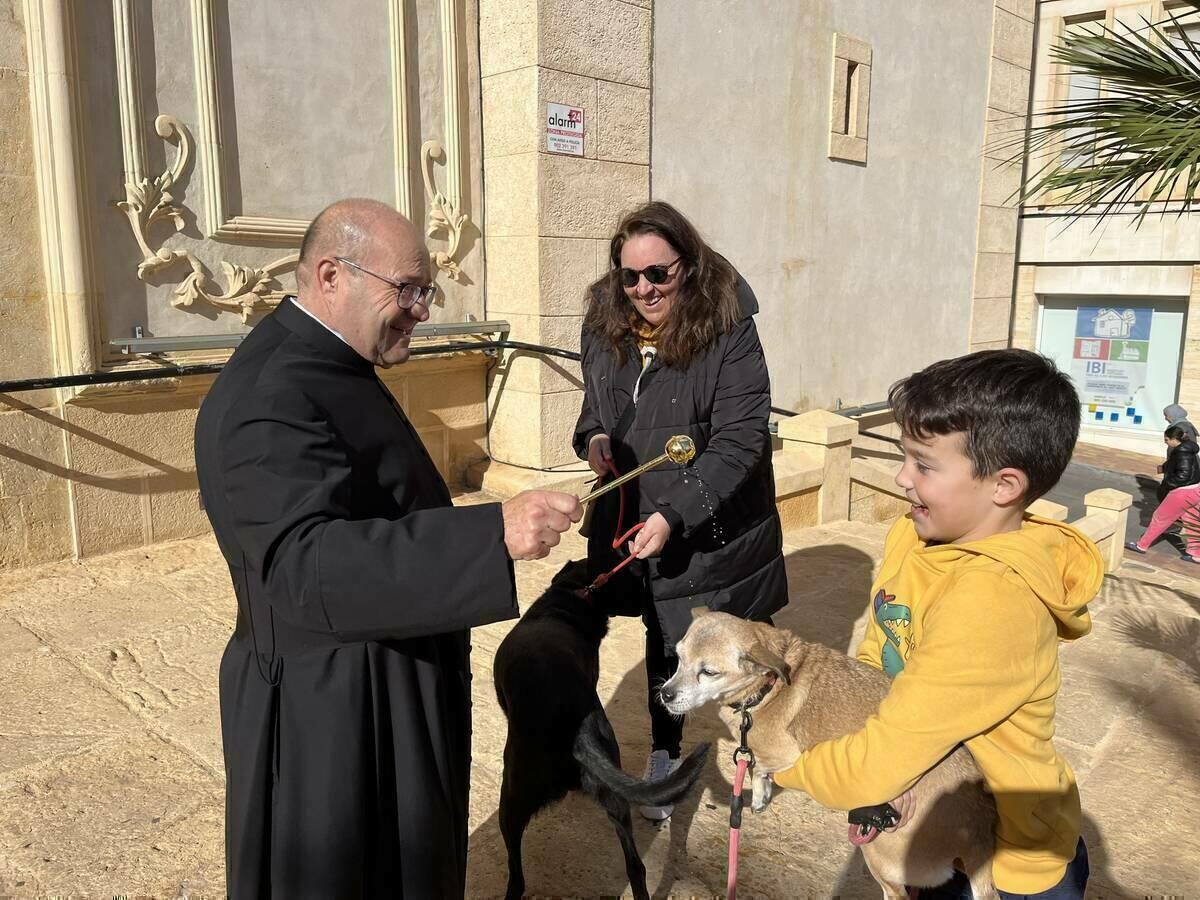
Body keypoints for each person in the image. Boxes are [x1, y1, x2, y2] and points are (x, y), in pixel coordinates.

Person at [194, 198, 582, 898]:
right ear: (331, 275)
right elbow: (302, 567)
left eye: (425, 290)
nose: (422, 309)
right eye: (406, 289)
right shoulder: (272, 392)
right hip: (333, 722)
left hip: (374, 684)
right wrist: (487, 534)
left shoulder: (327, 364)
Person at [772, 349, 1102, 898]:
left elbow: (872, 764)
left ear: (1004, 486)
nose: (902, 479)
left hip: (1009, 858)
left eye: (924, 465)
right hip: (935, 815)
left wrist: (784, 765)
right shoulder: (914, 536)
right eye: (904, 457)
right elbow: (879, 654)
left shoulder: (996, 601)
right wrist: (903, 775)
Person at [573, 200, 788, 820]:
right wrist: (594, 439)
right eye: (630, 277)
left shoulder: (728, 330)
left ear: (687, 267)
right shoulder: (602, 325)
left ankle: (763, 754)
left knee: (744, 656)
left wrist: (675, 512)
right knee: (663, 642)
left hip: (712, 526)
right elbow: (595, 405)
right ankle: (663, 758)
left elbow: (742, 437)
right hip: (633, 516)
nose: (643, 289)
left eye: (658, 274)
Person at [1127, 424, 1200, 563]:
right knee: (1192, 522)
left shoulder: (1182, 452)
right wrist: (1165, 468)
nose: (1165, 442)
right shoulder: (1188, 449)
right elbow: (1182, 467)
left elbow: (1183, 475)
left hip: (1182, 492)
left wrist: (1167, 484)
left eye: (1166, 439)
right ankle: (1196, 554)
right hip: (1195, 490)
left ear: (1174, 439)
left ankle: (1141, 546)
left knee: (1160, 518)